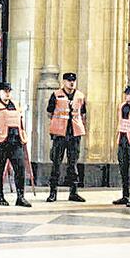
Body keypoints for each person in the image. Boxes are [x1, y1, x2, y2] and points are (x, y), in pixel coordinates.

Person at [0, 81, 31, 207]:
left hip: (15, 142)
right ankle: (0, 196)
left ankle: (20, 197)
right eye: (5, 91)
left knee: (20, 169)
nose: (7, 93)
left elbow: (20, 121)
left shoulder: (15, 105)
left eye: (9, 91)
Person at [46, 72, 86, 202]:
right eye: (69, 80)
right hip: (60, 134)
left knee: (73, 164)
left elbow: (82, 114)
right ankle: (53, 193)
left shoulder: (80, 96)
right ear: (64, 82)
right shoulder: (56, 95)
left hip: (74, 134)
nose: (71, 82)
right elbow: (49, 113)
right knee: (56, 163)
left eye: (73, 80)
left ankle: (73, 192)